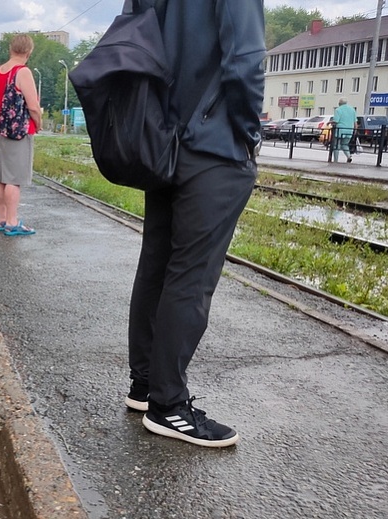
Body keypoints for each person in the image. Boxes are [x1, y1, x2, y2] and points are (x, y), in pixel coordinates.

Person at [124, 0, 265, 448]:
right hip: (214, 143)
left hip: (164, 138)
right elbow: (244, 57)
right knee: (192, 274)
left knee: (157, 264)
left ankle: (146, 387)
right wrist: (249, 133)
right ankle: (169, 406)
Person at [0, 34, 42, 234]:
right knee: (14, 179)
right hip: (20, 131)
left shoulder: (0, 71)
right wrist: (38, 124)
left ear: (10, 49)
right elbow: (33, 107)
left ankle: (2, 219)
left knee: (1, 177)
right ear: (29, 52)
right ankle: (13, 223)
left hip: (1, 128)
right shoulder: (23, 72)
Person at [333, 98, 356, 163]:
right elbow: (355, 122)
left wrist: (330, 123)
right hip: (349, 130)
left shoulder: (338, 110)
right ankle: (349, 156)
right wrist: (355, 130)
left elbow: (336, 121)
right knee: (345, 144)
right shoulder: (352, 110)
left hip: (340, 130)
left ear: (339, 103)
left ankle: (335, 161)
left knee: (336, 146)